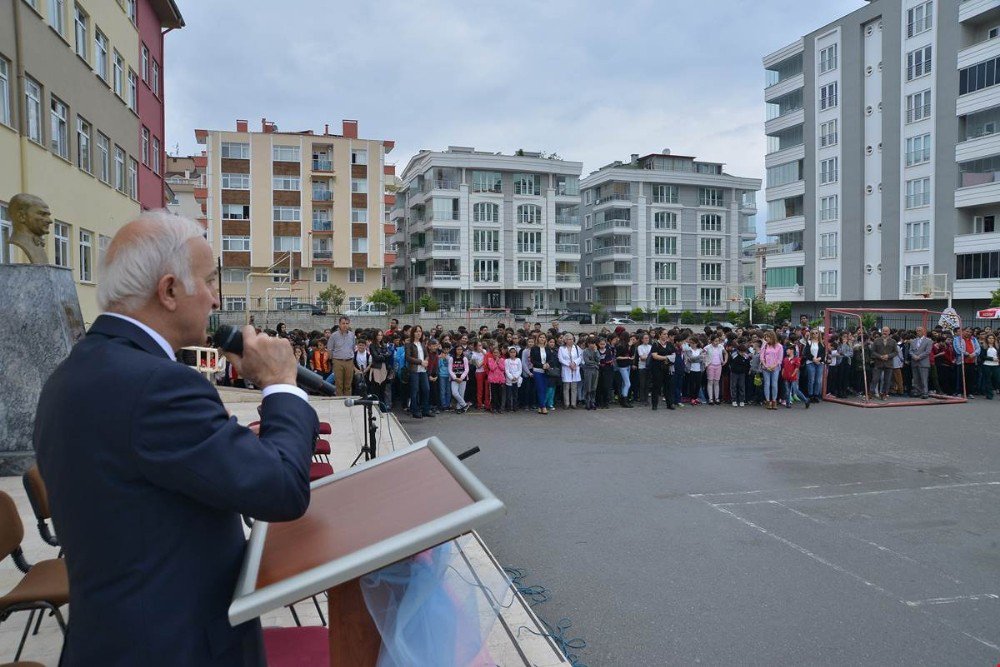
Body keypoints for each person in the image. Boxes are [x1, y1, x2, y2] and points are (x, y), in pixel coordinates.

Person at [34, 212, 317, 666]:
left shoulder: (75, 372)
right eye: (206, 281)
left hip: (113, 636)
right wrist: (281, 383)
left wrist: (227, 443)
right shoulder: (159, 386)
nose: (213, 297)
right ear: (168, 291)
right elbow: (281, 490)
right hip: (172, 645)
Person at [406, 325, 433, 419]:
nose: (419, 333)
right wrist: (421, 362)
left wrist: (425, 361)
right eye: (417, 331)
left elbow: (426, 355)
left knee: (426, 389)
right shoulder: (409, 344)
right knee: (415, 391)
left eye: (420, 331)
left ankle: (425, 410)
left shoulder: (422, 343)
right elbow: (408, 357)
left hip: (423, 370)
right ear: (413, 332)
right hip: (414, 370)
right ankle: (415, 410)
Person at [328, 316, 357, 396]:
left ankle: (347, 401)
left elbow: (353, 347)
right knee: (339, 384)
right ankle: (339, 402)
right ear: (339, 324)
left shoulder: (352, 335)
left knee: (348, 384)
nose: (345, 325)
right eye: (343, 323)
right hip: (338, 361)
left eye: (347, 323)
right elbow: (330, 349)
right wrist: (333, 360)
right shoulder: (334, 336)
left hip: (349, 361)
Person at [648, 329, 676, 411]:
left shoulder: (670, 344)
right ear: (660, 335)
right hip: (657, 368)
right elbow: (654, 356)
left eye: (667, 334)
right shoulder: (655, 344)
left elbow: (674, 355)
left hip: (668, 368)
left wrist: (669, 358)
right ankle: (654, 404)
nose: (666, 335)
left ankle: (670, 404)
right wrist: (666, 357)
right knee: (656, 386)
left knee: (668, 386)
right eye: (664, 334)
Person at [871, 327, 898, 401]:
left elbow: (896, 352)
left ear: (889, 332)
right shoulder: (876, 340)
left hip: (888, 363)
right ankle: (871, 393)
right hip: (878, 363)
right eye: (883, 331)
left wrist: (888, 356)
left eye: (886, 331)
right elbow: (872, 351)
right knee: (875, 379)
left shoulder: (893, 341)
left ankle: (884, 394)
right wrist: (880, 356)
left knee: (887, 380)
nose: (884, 332)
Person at [953, 327, 981, 398]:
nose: (968, 333)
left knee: (970, 378)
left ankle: (969, 393)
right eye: (967, 331)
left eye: (970, 332)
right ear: (963, 331)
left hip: (972, 361)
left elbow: (978, 348)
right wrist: (966, 353)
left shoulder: (974, 339)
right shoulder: (957, 339)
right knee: (960, 377)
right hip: (962, 361)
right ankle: (959, 392)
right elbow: (957, 348)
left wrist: (974, 354)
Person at [760, 330, 784, 410]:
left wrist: (774, 366)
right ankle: (767, 401)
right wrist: (765, 365)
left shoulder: (779, 346)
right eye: (765, 337)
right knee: (767, 384)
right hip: (765, 367)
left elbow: (780, 359)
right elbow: (761, 357)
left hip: (775, 368)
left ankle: (774, 401)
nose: (766, 338)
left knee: (774, 384)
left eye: (768, 337)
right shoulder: (764, 345)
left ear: (772, 337)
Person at [559, 334, 582, 408]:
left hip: (575, 369)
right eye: (569, 339)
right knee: (566, 387)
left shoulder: (576, 347)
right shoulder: (561, 348)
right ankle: (566, 403)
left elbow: (580, 356)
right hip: (566, 368)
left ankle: (573, 403)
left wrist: (575, 363)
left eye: (572, 339)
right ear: (565, 340)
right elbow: (560, 359)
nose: (571, 340)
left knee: (574, 387)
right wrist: (569, 364)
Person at [529, 336, 551, 415]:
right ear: (538, 339)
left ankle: (540, 406)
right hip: (537, 371)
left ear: (545, 339)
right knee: (540, 388)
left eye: (544, 337)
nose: (542, 339)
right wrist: (542, 365)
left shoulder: (547, 348)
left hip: (546, 371)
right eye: (541, 337)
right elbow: (532, 360)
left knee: (544, 389)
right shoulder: (534, 348)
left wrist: (548, 364)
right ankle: (543, 406)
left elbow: (550, 359)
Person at [909, 326, 932, 399]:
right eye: (917, 330)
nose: (918, 332)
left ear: (923, 331)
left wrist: (919, 357)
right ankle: (917, 391)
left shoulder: (928, 341)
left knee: (924, 379)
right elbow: (910, 351)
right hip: (914, 362)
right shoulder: (913, 341)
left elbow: (928, 351)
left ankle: (925, 392)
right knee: (916, 379)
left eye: (919, 330)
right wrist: (914, 356)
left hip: (923, 362)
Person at [704, 336, 727, 405]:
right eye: (715, 341)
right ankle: (710, 399)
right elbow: (702, 354)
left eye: (718, 341)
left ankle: (717, 398)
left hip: (719, 365)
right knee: (710, 381)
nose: (717, 343)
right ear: (711, 341)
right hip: (710, 365)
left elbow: (725, 353)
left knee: (717, 382)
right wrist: (706, 363)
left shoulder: (721, 346)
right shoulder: (707, 347)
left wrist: (725, 361)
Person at [804, 330, 826, 402]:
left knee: (818, 380)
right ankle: (810, 395)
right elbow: (806, 353)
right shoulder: (809, 343)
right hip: (810, 362)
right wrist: (813, 359)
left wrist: (819, 359)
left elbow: (823, 353)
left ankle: (816, 395)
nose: (815, 334)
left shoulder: (822, 343)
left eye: (816, 333)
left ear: (819, 334)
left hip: (819, 363)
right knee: (811, 379)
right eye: (813, 333)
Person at [448, 344, 470, 413]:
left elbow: (466, 369)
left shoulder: (464, 358)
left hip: (462, 379)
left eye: (461, 349)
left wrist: (461, 377)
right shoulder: (452, 358)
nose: (459, 351)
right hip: (454, 379)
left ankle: (459, 408)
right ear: (455, 350)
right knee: (454, 393)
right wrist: (455, 378)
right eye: (458, 349)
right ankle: (464, 405)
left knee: (461, 394)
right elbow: (450, 369)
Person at [581, 337, 600, 410]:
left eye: (594, 343)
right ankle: (587, 402)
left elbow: (598, 359)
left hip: (595, 370)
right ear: (588, 344)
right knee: (588, 387)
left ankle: (593, 402)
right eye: (592, 343)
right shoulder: (585, 351)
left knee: (594, 387)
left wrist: (595, 352)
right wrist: (595, 363)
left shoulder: (596, 351)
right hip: (588, 370)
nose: (593, 345)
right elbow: (587, 361)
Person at [981, 333, 1000, 400]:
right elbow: (982, 357)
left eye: (992, 338)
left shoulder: (997, 347)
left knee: (998, 380)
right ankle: (989, 394)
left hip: (996, 365)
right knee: (988, 380)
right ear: (987, 339)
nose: (991, 340)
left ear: (994, 339)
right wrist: (992, 358)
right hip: (987, 365)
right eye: (989, 338)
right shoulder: (983, 347)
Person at [504, 346, 523, 412]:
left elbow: (520, 370)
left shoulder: (518, 360)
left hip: (516, 379)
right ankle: (508, 407)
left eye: (514, 352)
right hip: (509, 380)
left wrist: (516, 377)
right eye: (511, 352)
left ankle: (515, 407)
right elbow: (507, 370)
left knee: (515, 394)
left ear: (516, 353)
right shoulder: (507, 360)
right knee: (508, 395)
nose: (512, 354)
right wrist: (511, 377)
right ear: (509, 353)